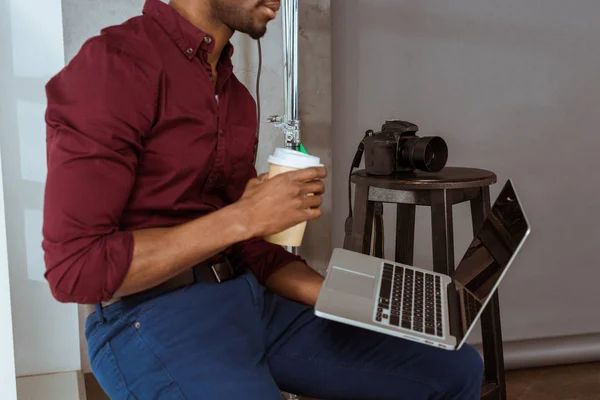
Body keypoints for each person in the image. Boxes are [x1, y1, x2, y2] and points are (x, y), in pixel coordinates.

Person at [42, 0, 484, 398]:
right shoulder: (113, 66)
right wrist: (244, 217)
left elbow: (250, 248)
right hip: (149, 318)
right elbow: (74, 269)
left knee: (453, 367)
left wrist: (353, 298)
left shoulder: (235, 98)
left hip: (247, 299)